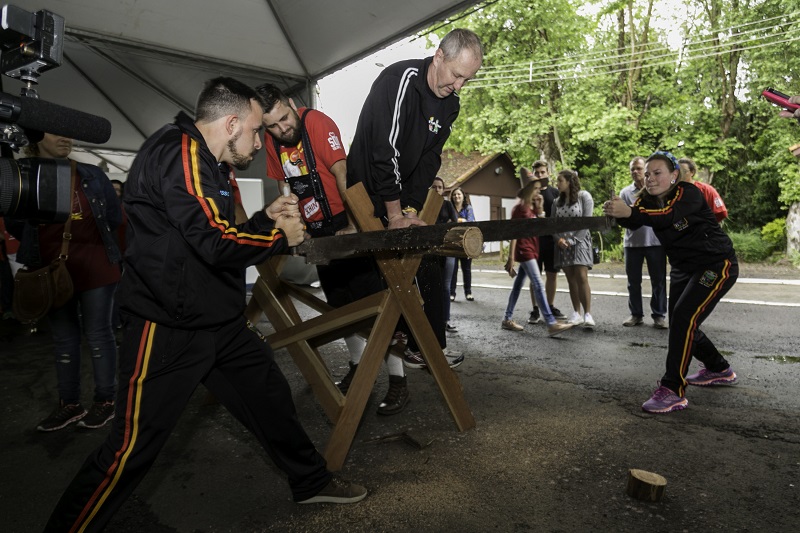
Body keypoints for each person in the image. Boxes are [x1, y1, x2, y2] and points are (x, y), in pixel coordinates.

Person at [44, 77, 366, 532]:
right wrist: (278, 234)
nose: (261, 142)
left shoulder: (206, 160)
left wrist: (262, 219)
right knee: (130, 451)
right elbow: (213, 241)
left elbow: (206, 230)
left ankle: (310, 480)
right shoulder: (179, 152)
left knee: (267, 394)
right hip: (166, 325)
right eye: (256, 131)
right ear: (232, 124)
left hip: (216, 320)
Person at [257, 82, 409, 415]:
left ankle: (398, 378)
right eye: (272, 126)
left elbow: (343, 174)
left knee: (375, 304)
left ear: (291, 103)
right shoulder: (271, 140)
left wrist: (354, 226)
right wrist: (295, 227)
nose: (282, 129)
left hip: (345, 220)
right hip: (317, 231)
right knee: (339, 304)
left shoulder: (316, 123)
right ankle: (358, 365)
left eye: (284, 118)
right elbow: (284, 185)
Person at [346, 28, 482, 370]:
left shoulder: (450, 104)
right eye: (456, 75)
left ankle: (428, 346)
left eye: (468, 79)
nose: (459, 87)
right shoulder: (400, 80)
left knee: (425, 253)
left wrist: (409, 210)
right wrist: (394, 214)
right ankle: (393, 334)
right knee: (376, 268)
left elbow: (427, 161)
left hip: (400, 192)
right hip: (368, 190)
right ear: (438, 56)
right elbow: (384, 150)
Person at [604, 151, 739, 414]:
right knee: (681, 321)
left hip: (715, 265)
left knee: (684, 318)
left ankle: (672, 390)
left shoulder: (688, 193)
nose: (650, 179)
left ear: (674, 175)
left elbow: (666, 216)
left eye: (657, 173)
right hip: (682, 269)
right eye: (647, 174)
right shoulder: (645, 201)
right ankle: (719, 368)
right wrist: (618, 211)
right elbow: (634, 220)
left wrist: (630, 210)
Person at [8, 134, 122, 432]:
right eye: (54, 132)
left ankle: (106, 401)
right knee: (64, 341)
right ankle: (69, 405)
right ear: (35, 138)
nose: (64, 138)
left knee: (99, 335)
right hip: (51, 270)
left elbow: (113, 216)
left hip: (96, 267)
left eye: (67, 132)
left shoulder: (91, 174)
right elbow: (13, 222)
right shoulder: (23, 175)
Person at [501, 178, 574, 337]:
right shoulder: (519, 209)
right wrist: (511, 257)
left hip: (532, 250)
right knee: (539, 284)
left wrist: (539, 208)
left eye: (539, 189)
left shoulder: (530, 208)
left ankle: (507, 318)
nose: (538, 191)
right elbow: (514, 233)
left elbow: (539, 226)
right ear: (528, 189)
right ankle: (551, 323)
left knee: (518, 285)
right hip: (524, 251)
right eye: (535, 188)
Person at [620, 157, 668, 329]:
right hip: (632, 244)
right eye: (632, 169)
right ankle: (636, 314)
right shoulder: (625, 193)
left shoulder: (657, 190)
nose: (635, 172)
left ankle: (659, 315)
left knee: (659, 280)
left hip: (655, 242)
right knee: (633, 281)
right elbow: (622, 218)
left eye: (639, 169)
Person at [521, 162, 564, 324]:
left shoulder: (555, 193)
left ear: (548, 174)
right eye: (537, 173)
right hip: (534, 241)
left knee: (552, 275)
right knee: (534, 277)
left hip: (552, 241)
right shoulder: (529, 194)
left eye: (542, 172)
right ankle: (535, 309)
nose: (540, 175)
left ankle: (550, 306)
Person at [552, 169, 595, 329]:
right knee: (570, 279)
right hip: (563, 244)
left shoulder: (584, 196)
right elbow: (552, 224)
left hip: (580, 241)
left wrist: (573, 240)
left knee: (581, 276)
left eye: (560, 181)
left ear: (569, 181)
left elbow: (587, 221)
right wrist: (559, 240)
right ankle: (576, 313)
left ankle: (588, 314)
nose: (557, 184)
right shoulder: (556, 202)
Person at [433, 177, 460, 333]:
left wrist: (441, 226)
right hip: (432, 252)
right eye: (434, 187)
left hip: (448, 250)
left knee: (446, 287)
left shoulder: (448, 205)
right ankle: (433, 320)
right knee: (433, 286)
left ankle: (445, 320)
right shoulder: (426, 206)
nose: (437, 190)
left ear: (443, 190)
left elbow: (454, 225)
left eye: (440, 187)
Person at [678, 157, 728, 223]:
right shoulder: (670, 191)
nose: (680, 174)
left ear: (692, 172)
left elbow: (721, 213)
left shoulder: (706, 189)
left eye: (684, 171)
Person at [449, 186, 475, 301]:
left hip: (466, 243)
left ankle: (468, 292)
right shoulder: (450, 208)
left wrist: (457, 220)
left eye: (458, 194)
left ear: (463, 196)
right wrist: (462, 220)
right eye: (454, 195)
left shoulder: (468, 208)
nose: (456, 196)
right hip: (454, 243)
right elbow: (447, 222)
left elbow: (471, 222)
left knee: (466, 269)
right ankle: (452, 293)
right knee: (453, 269)